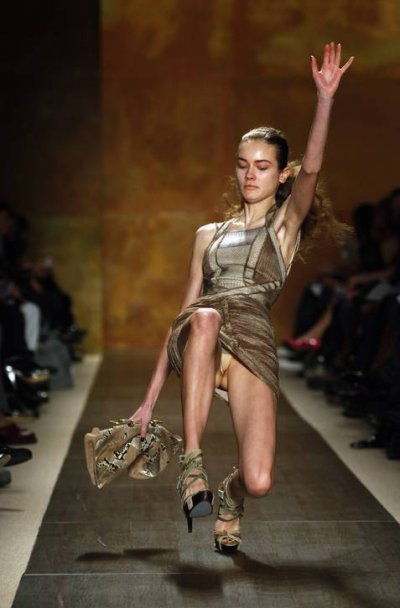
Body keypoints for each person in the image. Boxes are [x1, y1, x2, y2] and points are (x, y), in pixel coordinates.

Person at [129, 42, 354, 553]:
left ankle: (229, 495)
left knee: (260, 480)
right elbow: (184, 314)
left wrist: (325, 101)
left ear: (282, 174)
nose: (250, 174)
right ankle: (192, 467)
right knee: (205, 315)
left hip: (251, 343)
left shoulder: (285, 226)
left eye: (262, 166)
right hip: (204, 337)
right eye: (242, 164)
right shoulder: (207, 235)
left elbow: (313, 170)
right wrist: (148, 400)